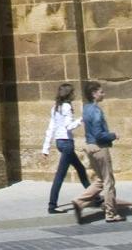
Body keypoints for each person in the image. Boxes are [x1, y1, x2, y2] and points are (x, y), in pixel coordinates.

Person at [72, 82, 121, 224]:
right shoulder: (96, 111)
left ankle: (79, 202)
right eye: (101, 92)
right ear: (94, 94)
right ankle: (111, 213)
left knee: (100, 180)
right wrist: (113, 135)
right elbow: (100, 135)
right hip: (100, 148)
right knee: (108, 181)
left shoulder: (86, 109)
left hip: (90, 147)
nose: (103, 94)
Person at [39, 82, 89, 214]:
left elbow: (51, 128)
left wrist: (46, 148)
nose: (74, 94)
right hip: (66, 143)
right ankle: (52, 205)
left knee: (80, 168)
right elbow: (69, 126)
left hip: (60, 142)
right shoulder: (66, 106)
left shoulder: (55, 107)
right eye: (72, 92)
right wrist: (81, 120)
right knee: (60, 175)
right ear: (69, 94)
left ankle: (94, 196)